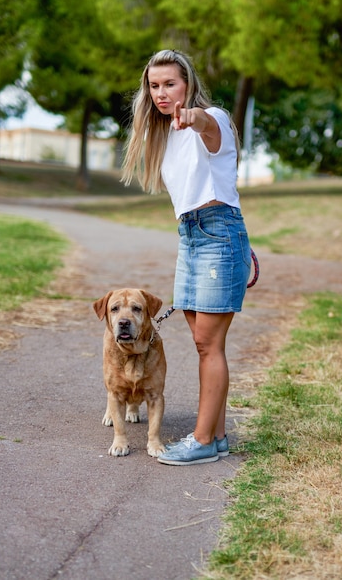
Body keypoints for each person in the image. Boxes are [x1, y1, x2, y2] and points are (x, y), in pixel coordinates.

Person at [122, 49, 252, 465]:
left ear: (188, 84)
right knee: (203, 344)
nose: (161, 93)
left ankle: (201, 441)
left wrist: (193, 116)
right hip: (193, 236)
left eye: (170, 84)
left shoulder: (208, 118)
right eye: (154, 86)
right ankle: (215, 435)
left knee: (208, 343)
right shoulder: (167, 134)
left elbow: (209, 129)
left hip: (217, 233)